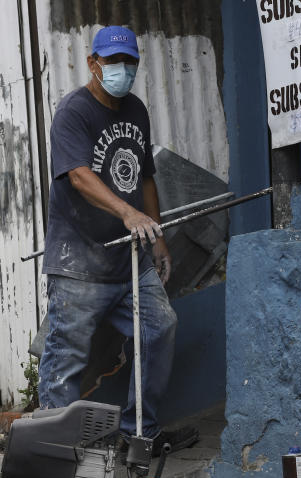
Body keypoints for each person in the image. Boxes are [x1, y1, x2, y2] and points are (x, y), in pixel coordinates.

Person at [37, 25, 197, 454]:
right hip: (78, 262)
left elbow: (145, 177)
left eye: (129, 62)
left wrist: (156, 236)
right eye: (113, 62)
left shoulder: (137, 110)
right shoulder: (74, 112)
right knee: (67, 358)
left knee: (160, 327)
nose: (122, 70)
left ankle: (138, 432)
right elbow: (79, 177)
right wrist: (126, 213)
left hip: (128, 261)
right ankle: (54, 450)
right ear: (93, 64)